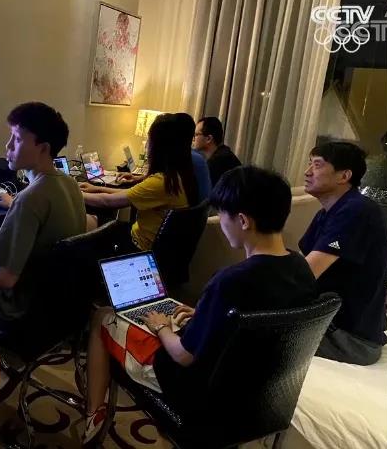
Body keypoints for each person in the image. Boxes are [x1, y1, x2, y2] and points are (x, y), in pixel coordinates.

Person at [82, 166, 317, 444]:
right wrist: (209, 315)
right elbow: (260, 316)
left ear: (243, 221)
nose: (222, 221)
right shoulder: (300, 267)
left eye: (223, 215)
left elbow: (183, 356)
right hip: (258, 392)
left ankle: (93, 417)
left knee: (103, 316)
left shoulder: (230, 281)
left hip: (197, 394)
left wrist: (160, 327)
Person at [0, 102, 86, 321]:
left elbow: (5, 279)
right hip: (58, 302)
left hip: (21, 308)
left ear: (43, 148)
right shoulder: (70, 184)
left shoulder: (29, 199)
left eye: (17, 139)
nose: (8, 145)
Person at [299, 141, 387, 365]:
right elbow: (301, 269)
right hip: (330, 322)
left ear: (344, 176)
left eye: (317, 165)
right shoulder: (328, 212)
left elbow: (305, 275)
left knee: (246, 334)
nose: (307, 172)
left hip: (350, 338)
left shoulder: (357, 211)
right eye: (309, 164)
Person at [80, 113, 199, 251]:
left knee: (88, 221)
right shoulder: (179, 176)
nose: (147, 145)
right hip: (146, 239)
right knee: (97, 220)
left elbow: (107, 202)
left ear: (160, 147)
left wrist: (75, 193)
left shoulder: (161, 183)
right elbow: (127, 193)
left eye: (149, 139)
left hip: (137, 245)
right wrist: (95, 188)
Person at [192, 116, 242, 186]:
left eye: (196, 135)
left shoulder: (217, 163)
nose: (193, 138)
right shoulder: (224, 154)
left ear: (208, 139)